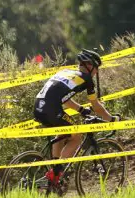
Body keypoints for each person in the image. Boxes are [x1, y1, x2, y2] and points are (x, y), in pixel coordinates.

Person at [33, 49, 116, 187]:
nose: (96, 73)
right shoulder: (86, 79)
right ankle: (57, 172)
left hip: (38, 108)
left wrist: (81, 110)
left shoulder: (65, 72)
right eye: (96, 69)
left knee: (62, 132)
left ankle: (54, 169)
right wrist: (111, 119)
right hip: (52, 109)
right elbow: (96, 106)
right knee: (76, 136)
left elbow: (65, 100)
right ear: (90, 66)